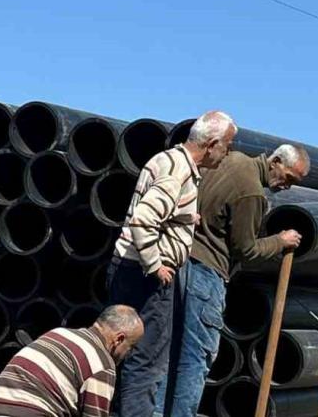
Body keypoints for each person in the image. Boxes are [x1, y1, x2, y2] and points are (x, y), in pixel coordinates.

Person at [161, 144, 311, 416]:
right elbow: (247, 251)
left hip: (176, 262)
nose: (287, 186)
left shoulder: (230, 160)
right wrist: (280, 240)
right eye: (288, 178)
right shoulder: (251, 191)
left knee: (165, 352)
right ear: (275, 161)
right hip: (206, 277)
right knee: (195, 358)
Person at [107, 110, 237, 417]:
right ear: (212, 143)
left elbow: (154, 207)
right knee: (147, 362)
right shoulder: (179, 171)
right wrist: (155, 265)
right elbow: (144, 219)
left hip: (125, 267)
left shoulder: (167, 160)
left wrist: (184, 217)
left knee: (120, 352)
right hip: (146, 277)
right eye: (227, 145)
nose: (227, 152)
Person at [0, 305, 145, 417]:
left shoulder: (58, 333)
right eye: (131, 347)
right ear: (118, 339)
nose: (128, 354)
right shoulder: (102, 364)